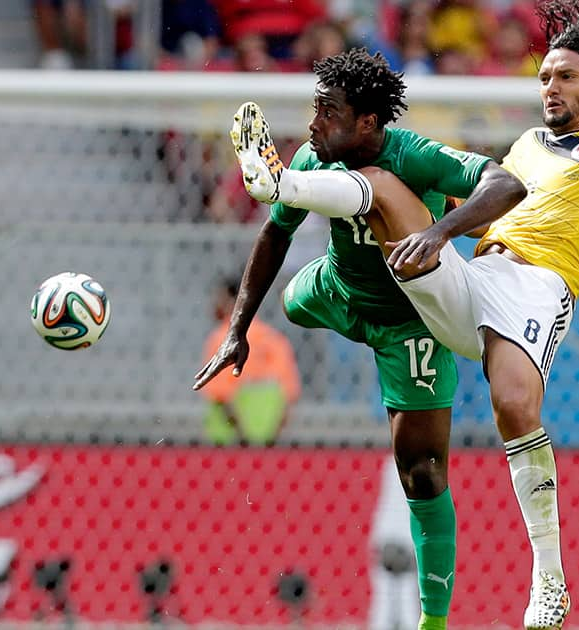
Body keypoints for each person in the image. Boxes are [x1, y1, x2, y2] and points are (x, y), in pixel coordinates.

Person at [224, 1, 579, 627]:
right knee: (380, 186)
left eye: (565, 77)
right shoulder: (528, 144)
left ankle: (548, 580)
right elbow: (487, 197)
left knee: (514, 406)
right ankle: (279, 187)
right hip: (478, 273)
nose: (550, 87)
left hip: (537, 287)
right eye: (544, 76)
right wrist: (440, 228)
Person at [193, 49, 527, 630]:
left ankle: (433, 621)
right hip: (338, 287)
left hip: (409, 323)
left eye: (329, 112)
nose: (315, 123)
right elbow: (273, 237)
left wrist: (444, 229)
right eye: (315, 109)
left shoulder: (413, 155)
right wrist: (239, 328)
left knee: (421, 470)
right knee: (296, 299)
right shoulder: (315, 153)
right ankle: (282, 188)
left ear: (367, 123)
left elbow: (507, 184)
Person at [197, 277, 300, 446]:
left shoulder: (222, 339)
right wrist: (271, 436)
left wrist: (243, 438)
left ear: (232, 301)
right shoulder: (273, 339)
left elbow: (220, 395)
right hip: (269, 440)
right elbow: (289, 392)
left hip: (228, 443)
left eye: (219, 298)